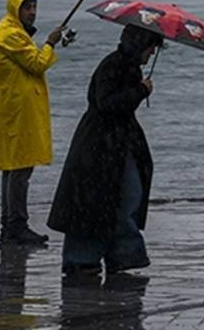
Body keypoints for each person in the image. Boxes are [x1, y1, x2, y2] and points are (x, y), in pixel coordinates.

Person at [48, 25, 162, 276]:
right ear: (139, 44)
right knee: (108, 201)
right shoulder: (113, 66)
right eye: (150, 46)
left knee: (120, 198)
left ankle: (116, 256)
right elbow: (107, 103)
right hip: (100, 145)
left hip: (112, 145)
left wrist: (138, 90)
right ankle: (94, 259)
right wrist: (141, 91)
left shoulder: (127, 66)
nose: (152, 52)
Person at [0, 0, 66, 246]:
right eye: (27, 8)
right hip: (18, 114)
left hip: (12, 111)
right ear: (16, 9)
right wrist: (50, 43)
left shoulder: (8, 32)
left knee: (13, 168)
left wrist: (3, 87)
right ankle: (17, 226)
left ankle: (9, 225)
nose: (32, 13)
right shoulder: (11, 35)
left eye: (34, 7)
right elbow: (38, 64)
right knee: (20, 169)